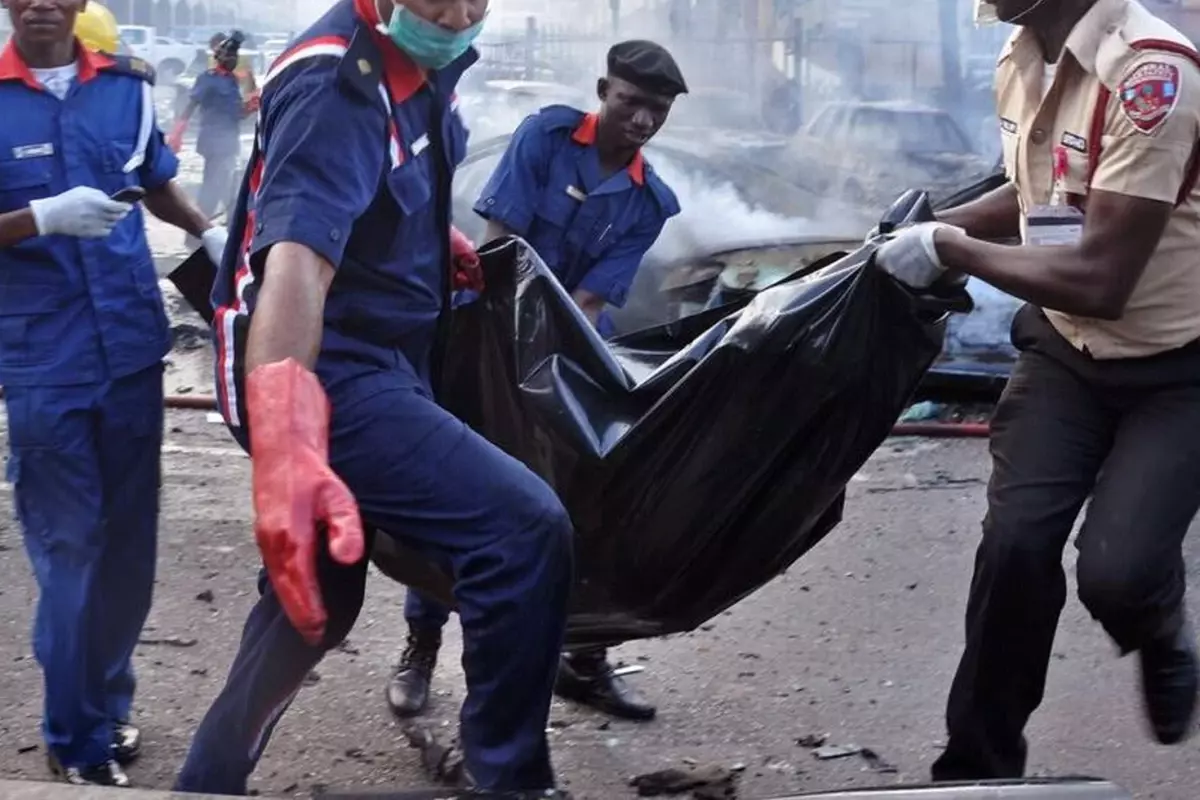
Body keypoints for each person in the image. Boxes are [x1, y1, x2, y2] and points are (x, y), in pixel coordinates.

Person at [172, 1, 573, 797]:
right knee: (522, 530)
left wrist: (426, 243)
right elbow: (297, 263)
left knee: (315, 602)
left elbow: (383, 183)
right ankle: (511, 780)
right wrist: (288, 450)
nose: (457, 14)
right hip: (321, 369)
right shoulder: (336, 82)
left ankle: (207, 781)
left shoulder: (423, 59)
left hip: (383, 350)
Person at [874, 0, 1200, 780]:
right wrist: (929, 226)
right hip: (1065, 354)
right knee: (1014, 549)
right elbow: (1038, 196)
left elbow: (1102, 279)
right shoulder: (1022, 55)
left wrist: (949, 249)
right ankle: (978, 769)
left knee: (1118, 574)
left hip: (1178, 366)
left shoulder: (1153, 73)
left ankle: (1157, 625)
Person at [386, 40, 685, 726]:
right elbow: (498, 246)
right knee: (452, 496)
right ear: (604, 91)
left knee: (595, 503)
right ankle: (421, 647)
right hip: (485, 336)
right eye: (631, 102)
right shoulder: (545, 138)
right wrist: (506, 364)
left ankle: (585, 661)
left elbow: (590, 301)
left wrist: (550, 375)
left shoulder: (650, 202)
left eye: (657, 110)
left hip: (569, 352)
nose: (642, 120)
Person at [0, 0, 227, 787]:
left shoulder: (127, 89)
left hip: (129, 350)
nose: (40, 3)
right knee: (72, 552)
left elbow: (153, 180)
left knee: (129, 552)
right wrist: (37, 218)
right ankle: (76, 741)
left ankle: (105, 703)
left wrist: (203, 229)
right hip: (44, 361)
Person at [168, 30, 254, 233]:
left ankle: (229, 227)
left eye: (235, 56)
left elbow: (235, 113)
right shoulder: (208, 79)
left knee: (228, 186)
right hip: (214, 141)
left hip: (228, 141)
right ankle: (198, 231)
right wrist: (178, 131)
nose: (233, 60)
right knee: (214, 187)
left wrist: (251, 105)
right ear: (219, 57)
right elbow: (191, 104)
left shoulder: (232, 80)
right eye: (229, 56)